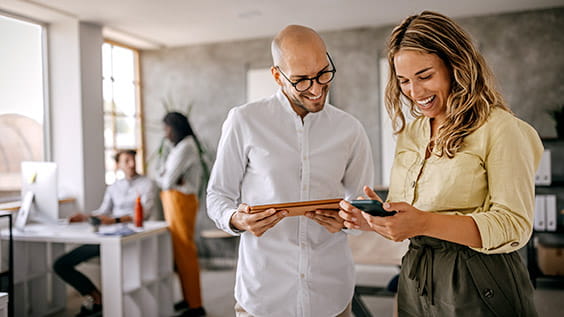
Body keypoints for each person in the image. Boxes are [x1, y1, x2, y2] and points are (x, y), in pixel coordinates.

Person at [339, 11, 542, 317]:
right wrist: (376, 220)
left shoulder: (500, 128)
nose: (414, 92)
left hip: (479, 277)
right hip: (416, 276)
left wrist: (423, 222)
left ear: (455, 66)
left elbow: (514, 225)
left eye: (425, 76)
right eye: (404, 80)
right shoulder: (412, 132)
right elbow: (413, 215)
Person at [207, 25, 374, 317]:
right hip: (263, 293)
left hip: (331, 294)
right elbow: (218, 195)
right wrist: (237, 219)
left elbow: (363, 203)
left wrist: (349, 220)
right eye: (301, 80)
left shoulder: (350, 129)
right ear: (277, 75)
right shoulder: (244, 120)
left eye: (323, 73)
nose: (316, 88)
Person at [53, 149, 157, 317]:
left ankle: (110, 307)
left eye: (133, 160)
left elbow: (143, 214)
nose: (131, 164)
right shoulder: (113, 187)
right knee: (61, 265)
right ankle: (97, 298)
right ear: (118, 165)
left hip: (131, 238)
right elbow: (103, 211)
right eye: (126, 160)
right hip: (108, 238)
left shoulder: (147, 184)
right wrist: (85, 216)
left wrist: (114, 221)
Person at [156, 112, 205, 317]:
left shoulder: (185, 146)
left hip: (180, 202)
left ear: (175, 127)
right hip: (175, 201)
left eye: (167, 129)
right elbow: (165, 176)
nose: (165, 134)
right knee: (180, 253)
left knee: (185, 252)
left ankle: (195, 305)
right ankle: (188, 299)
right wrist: (167, 177)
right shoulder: (179, 147)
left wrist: (166, 178)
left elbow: (165, 180)